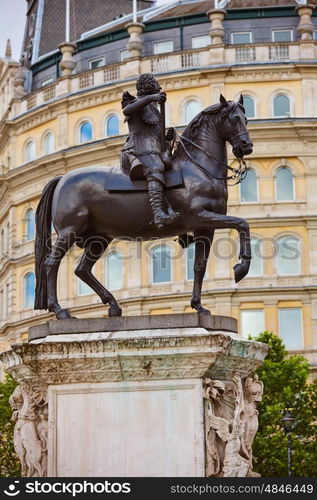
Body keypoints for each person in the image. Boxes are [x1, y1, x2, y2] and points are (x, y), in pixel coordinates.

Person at [121, 73, 179, 229]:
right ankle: (157, 213)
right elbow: (127, 111)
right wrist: (150, 98)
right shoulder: (135, 102)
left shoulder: (153, 109)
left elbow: (156, 134)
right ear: (148, 86)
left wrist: (167, 137)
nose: (159, 88)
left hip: (152, 148)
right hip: (137, 149)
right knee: (156, 167)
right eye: (156, 85)